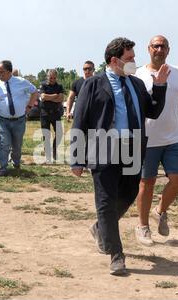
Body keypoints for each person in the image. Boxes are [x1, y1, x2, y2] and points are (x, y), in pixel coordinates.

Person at [70, 37, 169, 276]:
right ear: (114, 60)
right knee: (105, 201)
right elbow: (80, 120)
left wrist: (160, 86)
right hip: (103, 149)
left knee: (128, 194)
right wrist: (77, 158)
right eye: (129, 58)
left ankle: (101, 227)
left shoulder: (135, 84)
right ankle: (117, 255)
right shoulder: (93, 84)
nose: (134, 62)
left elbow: (153, 111)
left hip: (132, 149)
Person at [135, 35, 178, 246]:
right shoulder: (138, 74)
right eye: (155, 46)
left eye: (163, 46)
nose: (159, 49)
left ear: (168, 50)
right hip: (147, 138)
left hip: (174, 138)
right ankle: (143, 227)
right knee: (147, 183)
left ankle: (159, 210)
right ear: (149, 49)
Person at [0, 60, 38, 176]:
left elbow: (34, 92)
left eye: (1, 72)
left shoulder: (22, 82)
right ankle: (3, 167)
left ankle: (16, 163)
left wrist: (29, 106)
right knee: (4, 143)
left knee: (17, 144)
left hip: (19, 120)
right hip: (3, 120)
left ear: (9, 72)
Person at [40, 69, 65, 163]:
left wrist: (49, 98)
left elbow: (61, 98)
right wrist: (55, 95)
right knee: (46, 134)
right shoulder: (43, 85)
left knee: (59, 133)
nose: (52, 80)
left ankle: (54, 151)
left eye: (54, 78)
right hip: (45, 113)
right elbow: (43, 97)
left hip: (56, 113)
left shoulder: (59, 86)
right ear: (47, 77)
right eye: (51, 78)